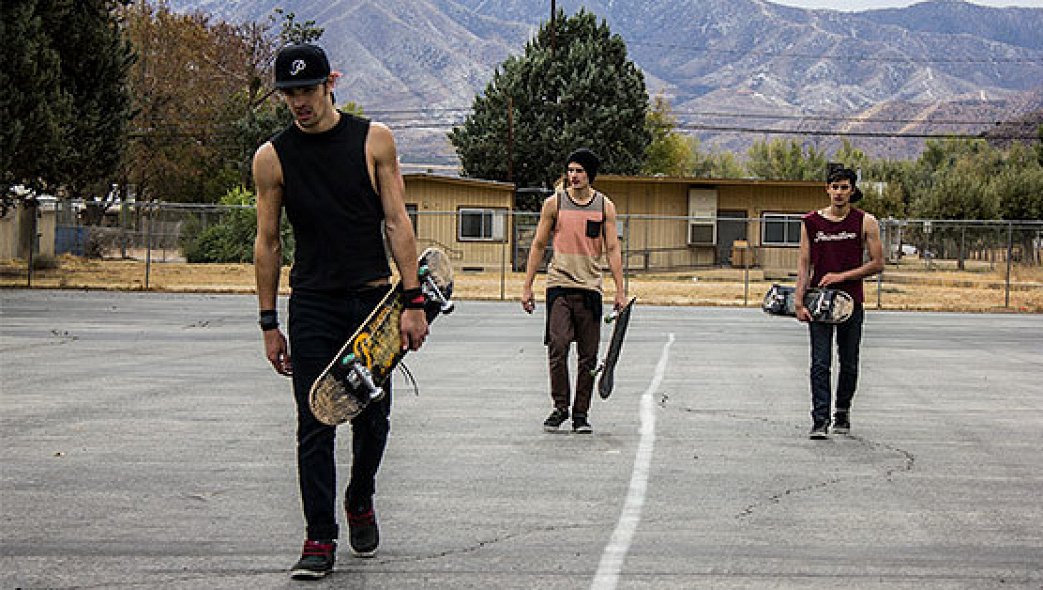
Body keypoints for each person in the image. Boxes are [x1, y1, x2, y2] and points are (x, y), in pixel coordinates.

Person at [252, 43, 428, 579]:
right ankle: (319, 537)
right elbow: (267, 242)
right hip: (312, 304)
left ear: (332, 83)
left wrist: (413, 301)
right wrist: (268, 323)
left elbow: (396, 222)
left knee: (373, 418)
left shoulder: (374, 140)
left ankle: (360, 496)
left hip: (371, 303)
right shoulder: (272, 157)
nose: (299, 102)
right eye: (289, 93)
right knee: (314, 421)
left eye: (307, 90)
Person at [521, 148, 626, 434]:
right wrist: (527, 286)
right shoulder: (554, 203)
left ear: (590, 174)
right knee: (558, 345)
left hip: (590, 288)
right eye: (570, 170)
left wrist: (620, 290)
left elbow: (612, 249)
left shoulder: (605, 206)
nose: (573, 176)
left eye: (579, 171)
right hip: (559, 286)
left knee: (588, 356)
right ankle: (560, 407)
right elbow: (538, 245)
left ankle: (581, 414)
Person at [795, 167, 884, 440]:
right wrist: (798, 300)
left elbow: (877, 263)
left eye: (844, 187)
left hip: (850, 303)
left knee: (849, 362)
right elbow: (804, 264)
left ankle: (842, 411)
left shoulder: (865, 222)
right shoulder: (811, 222)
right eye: (835, 187)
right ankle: (819, 420)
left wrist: (841, 276)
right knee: (820, 363)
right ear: (827, 189)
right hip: (820, 303)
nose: (839, 192)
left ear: (852, 190)